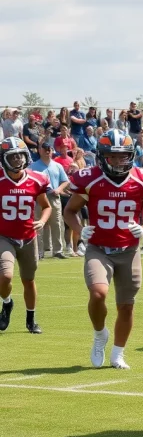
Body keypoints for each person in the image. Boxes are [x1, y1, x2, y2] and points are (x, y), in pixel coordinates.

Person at [63, 129, 143, 370]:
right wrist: (79, 229)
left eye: (123, 155)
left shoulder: (142, 180)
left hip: (129, 249)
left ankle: (118, 353)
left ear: (131, 155)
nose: (118, 161)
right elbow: (70, 211)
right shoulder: (89, 179)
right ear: (102, 156)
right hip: (98, 247)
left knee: (126, 305)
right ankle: (100, 334)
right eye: (112, 156)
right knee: (98, 293)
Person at [0, 138, 51, 334]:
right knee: (5, 276)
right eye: (12, 157)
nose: (17, 160)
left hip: (28, 236)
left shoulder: (36, 179)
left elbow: (46, 206)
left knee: (28, 280)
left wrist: (43, 221)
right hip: (4, 236)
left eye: (19, 156)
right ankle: (7, 302)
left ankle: (31, 319)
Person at [29, 140, 69, 260]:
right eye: (45, 150)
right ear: (40, 151)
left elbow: (65, 181)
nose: (47, 152)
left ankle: (58, 250)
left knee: (56, 223)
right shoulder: (32, 166)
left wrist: (59, 189)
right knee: (38, 223)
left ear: (52, 151)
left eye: (49, 150)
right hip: (39, 198)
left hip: (54, 197)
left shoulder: (57, 166)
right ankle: (39, 251)